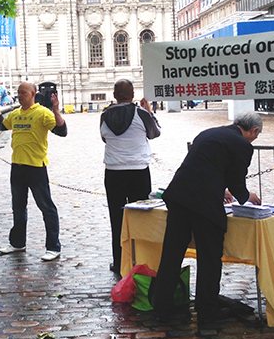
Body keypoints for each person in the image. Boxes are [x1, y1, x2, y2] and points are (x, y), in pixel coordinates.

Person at [152, 111, 262, 323]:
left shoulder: (209, 133)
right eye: (256, 135)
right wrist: (247, 196)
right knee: (210, 256)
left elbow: (204, 166)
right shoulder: (242, 144)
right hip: (203, 205)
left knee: (172, 253)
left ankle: (162, 304)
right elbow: (237, 180)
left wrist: (220, 188)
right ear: (254, 130)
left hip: (178, 195)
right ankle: (207, 308)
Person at [0, 82, 67, 261]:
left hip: (36, 167)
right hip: (17, 167)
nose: (20, 95)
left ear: (33, 93)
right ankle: (17, 243)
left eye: (23, 92)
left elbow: (62, 131)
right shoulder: (15, 114)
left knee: (46, 207)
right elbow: (1, 125)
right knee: (18, 207)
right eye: (18, 92)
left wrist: (56, 111)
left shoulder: (42, 113)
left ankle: (53, 247)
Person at [100, 79, 161, 274]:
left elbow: (103, 137)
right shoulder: (141, 114)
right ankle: (140, 260)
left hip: (114, 171)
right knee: (141, 218)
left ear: (115, 95)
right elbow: (155, 133)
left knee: (116, 219)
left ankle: (119, 262)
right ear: (132, 94)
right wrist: (149, 111)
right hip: (138, 170)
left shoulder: (104, 116)